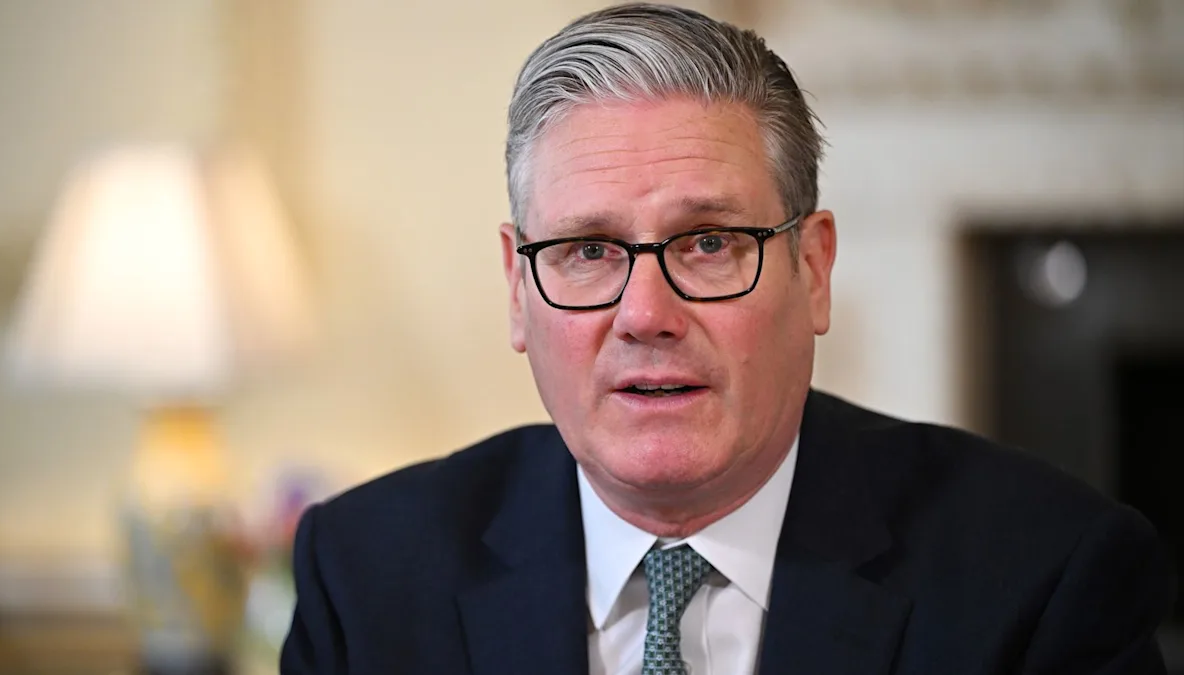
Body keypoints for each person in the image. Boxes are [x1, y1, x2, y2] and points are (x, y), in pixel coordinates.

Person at [281, 4, 1173, 674]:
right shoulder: (364, 577)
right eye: (588, 250)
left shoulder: (1045, 577)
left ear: (813, 268)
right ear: (520, 288)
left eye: (708, 243)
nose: (645, 313)